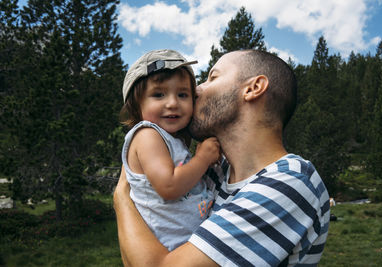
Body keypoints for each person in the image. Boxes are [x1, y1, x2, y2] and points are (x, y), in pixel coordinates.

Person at [114, 49, 330, 266]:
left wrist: (122, 198)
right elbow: (133, 258)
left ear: (253, 88)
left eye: (213, 77)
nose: (196, 90)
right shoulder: (214, 173)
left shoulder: (289, 182)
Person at [119, 49, 220, 251]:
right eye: (158, 95)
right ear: (136, 105)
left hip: (185, 246)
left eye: (183, 94)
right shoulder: (147, 135)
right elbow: (169, 187)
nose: (173, 103)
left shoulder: (169, 139)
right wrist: (203, 158)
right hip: (169, 249)